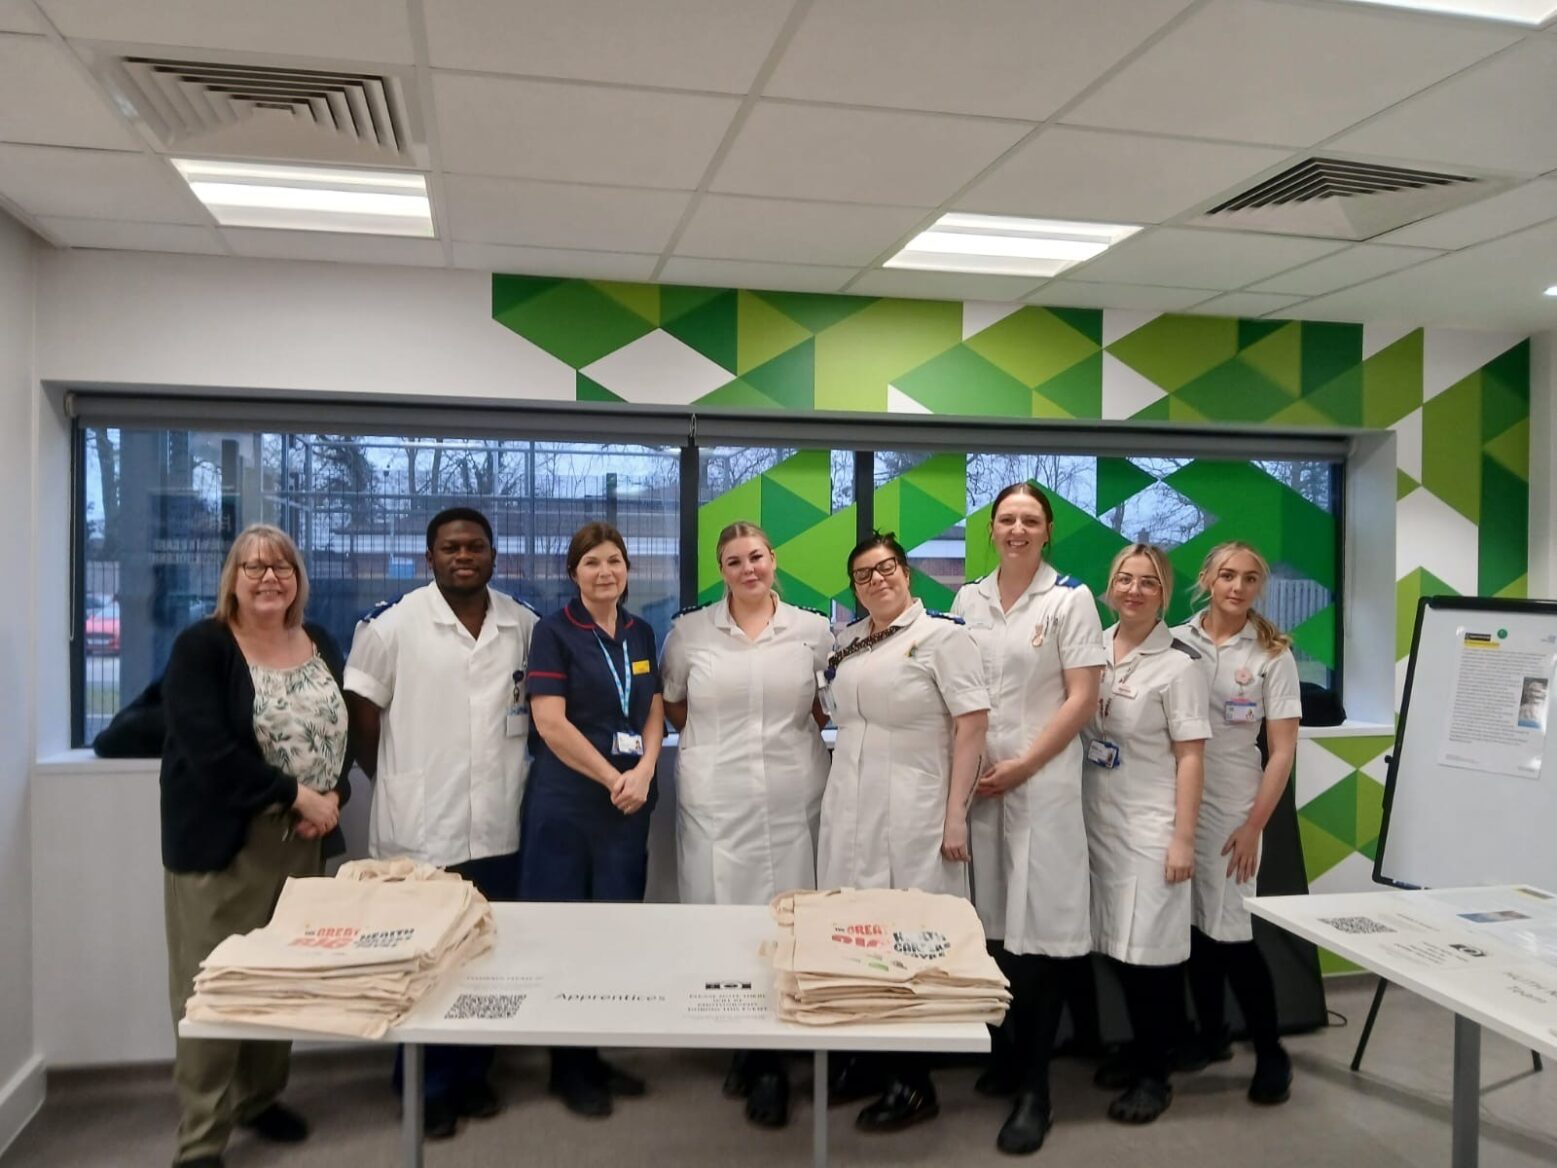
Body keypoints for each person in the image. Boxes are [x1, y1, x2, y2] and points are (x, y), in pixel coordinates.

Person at [344, 506, 538, 1140]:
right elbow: (363, 720)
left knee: (484, 956)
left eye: (476, 547)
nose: (464, 556)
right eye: (451, 547)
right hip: (422, 826)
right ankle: (423, 1087)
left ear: (493, 555)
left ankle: (473, 1074)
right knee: (424, 961)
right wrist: (395, 782)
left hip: (500, 823)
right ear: (429, 557)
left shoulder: (522, 624)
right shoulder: (392, 625)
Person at [161, 523, 350, 1168]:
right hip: (226, 845)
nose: (269, 578)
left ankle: (261, 1098)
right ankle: (201, 1139)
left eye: (282, 568)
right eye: (254, 568)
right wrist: (296, 795)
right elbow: (208, 752)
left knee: (282, 979)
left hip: (303, 843)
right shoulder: (203, 647)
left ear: (298, 579)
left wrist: (330, 802)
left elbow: (333, 734)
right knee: (214, 985)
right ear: (232, 581)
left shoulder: (319, 640)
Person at [951, 483, 1105, 1155]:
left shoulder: (1069, 598)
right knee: (994, 932)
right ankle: (1009, 1055)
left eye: (1030, 520)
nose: (1017, 529)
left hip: (1039, 784)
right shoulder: (966, 600)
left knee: (1038, 935)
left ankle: (1035, 1090)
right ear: (991, 529)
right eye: (1006, 519)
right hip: (979, 785)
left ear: (1047, 532)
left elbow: (1081, 698)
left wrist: (1021, 765)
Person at [818, 531, 989, 1133]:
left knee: (911, 945)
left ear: (907, 573)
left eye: (887, 568)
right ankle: (869, 1059)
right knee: (858, 935)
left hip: (915, 810)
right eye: (864, 575)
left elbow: (972, 727)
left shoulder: (944, 637)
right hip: (851, 808)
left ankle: (913, 1081)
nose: (877, 580)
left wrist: (955, 815)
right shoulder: (848, 644)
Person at [661, 521, 831, 1129]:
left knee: (789, 925)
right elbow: (676, 704)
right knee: (725, 921)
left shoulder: (812, 630)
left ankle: (774, 1059)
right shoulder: (689, 632)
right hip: (717, 802)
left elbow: (823, 705)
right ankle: (746, 1043)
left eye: (756, 556)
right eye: (734, 562)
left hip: (793, 799)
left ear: (773, 557)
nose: (748, 569)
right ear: (721, 570)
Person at [520, 521, 665, 1118]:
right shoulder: (553, 633)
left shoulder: (641, 631)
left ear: (627, 569)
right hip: (570, 806)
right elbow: (550, 723)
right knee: (566, 937)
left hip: (628, 806)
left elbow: (653, 707)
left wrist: (647, 770)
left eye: (614, 561)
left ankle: (594, 1051)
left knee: (612, 934)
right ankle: (567, 1066)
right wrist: (613, 778)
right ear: (573, 573)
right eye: (591, 563)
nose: (605, 572)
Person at [1083, 543, 1210, 1124]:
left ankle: (1155, 1076)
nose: (1134, 590)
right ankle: (1140, 1051)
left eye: (1148, 583)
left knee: (1150, 958)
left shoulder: (1179, 666)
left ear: (1164, 593)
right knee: (1115, 946)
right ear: (1110, 587)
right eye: (1124, 579)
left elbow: (1190, 758)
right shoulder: (1090, 651)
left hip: (1152, 827)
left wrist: (1183, 840)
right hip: (1096, 822)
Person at [1174, 541, 1302, 1105]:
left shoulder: (1273, 653)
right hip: (1177, 800)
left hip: (1233, 807)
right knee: (1195, 931)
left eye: (1250, 579)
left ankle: (1272, 1053)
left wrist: (1254, 826)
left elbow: (1281, 751)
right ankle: (1211, 1035)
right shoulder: (1175, 640)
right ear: (1207, 577)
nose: (1237, 587)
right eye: (1227, 575)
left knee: (1230, 933)